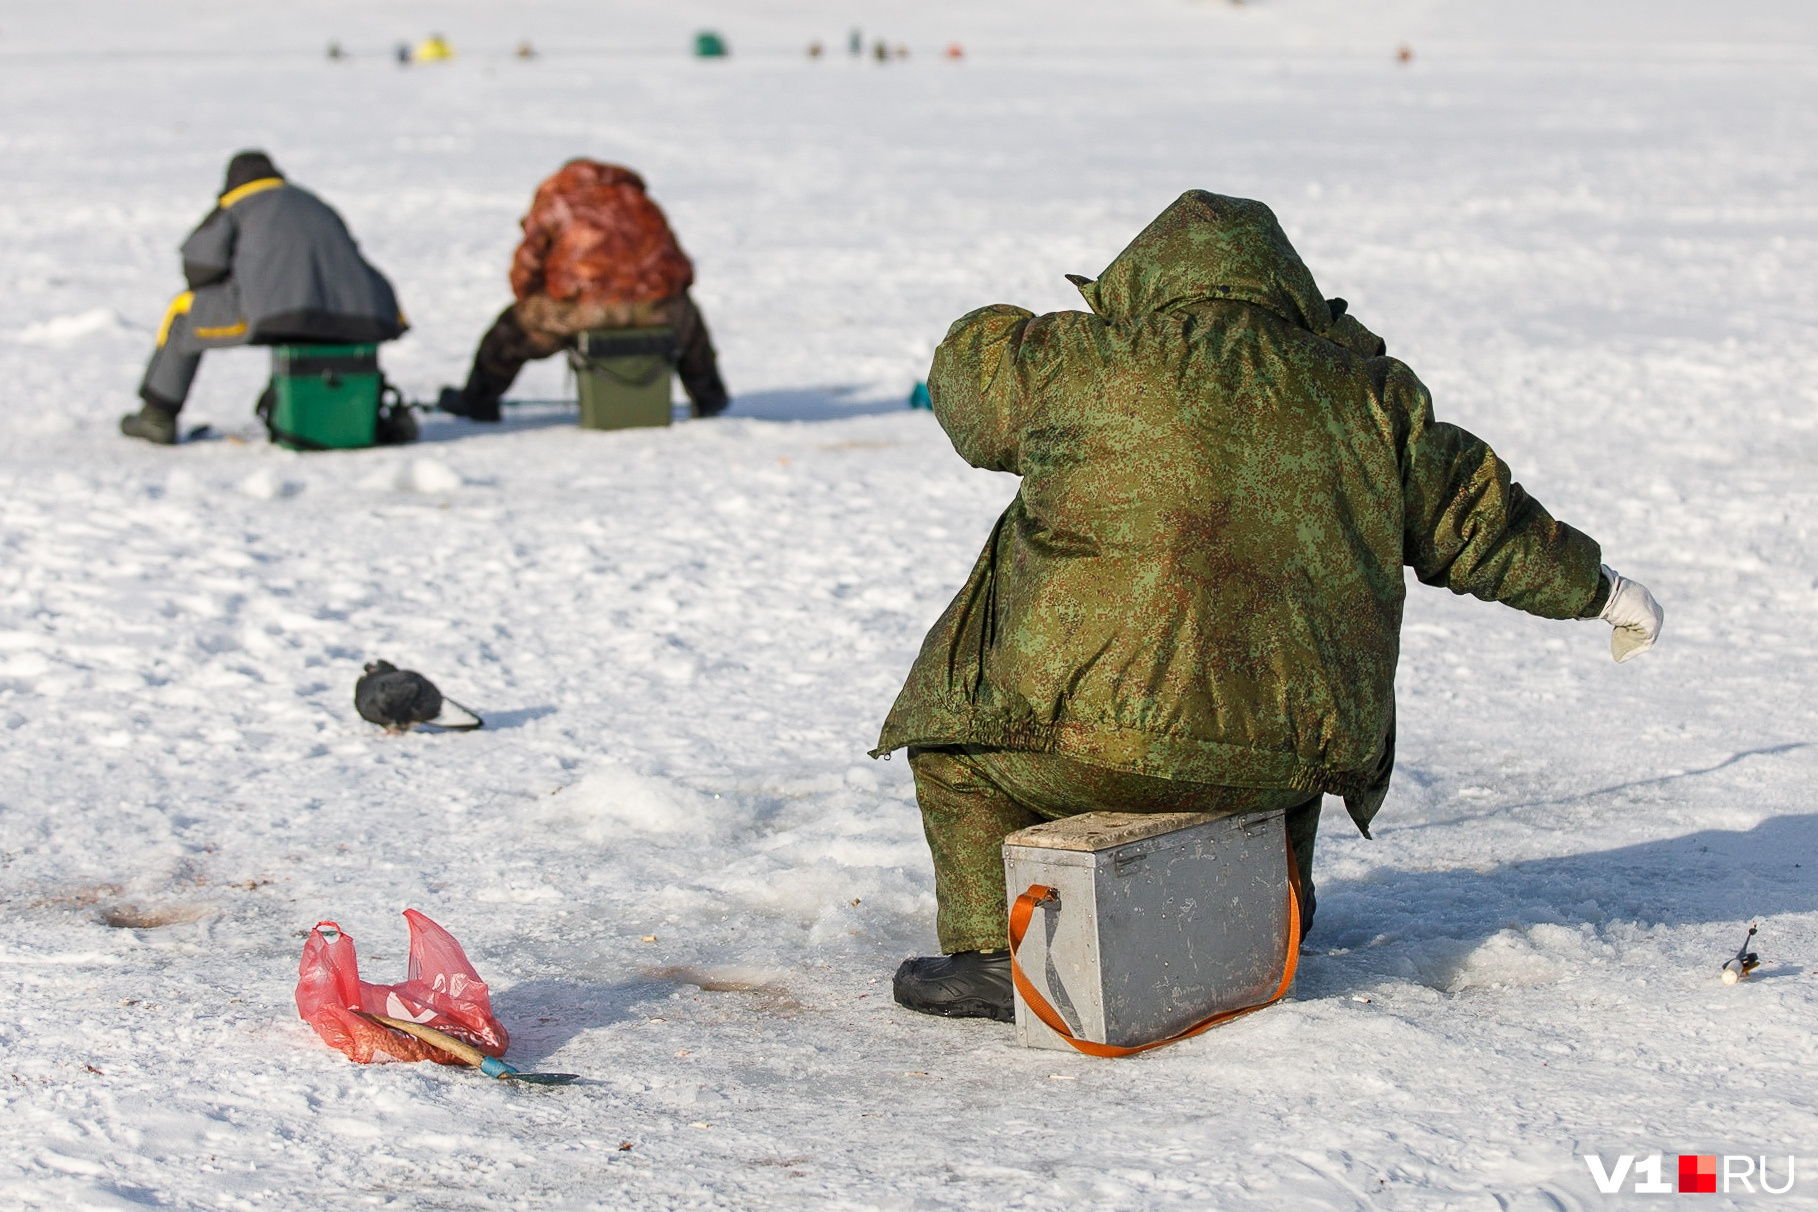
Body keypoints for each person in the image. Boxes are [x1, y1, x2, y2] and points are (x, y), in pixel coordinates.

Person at [874, 191, 1664, 1022]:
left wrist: (1039, 322)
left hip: (1082, 739)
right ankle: (1273, 917)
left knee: (956, 754)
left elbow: (967, 377)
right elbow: (1480, 523)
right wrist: (1603, 590)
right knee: (1285, 754)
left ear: (1146, 275)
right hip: (1282, 763)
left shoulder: (1081, 363)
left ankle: (991, 955)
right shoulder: (1374, 398)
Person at [121, 151, 408, 445]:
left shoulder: (238, 204)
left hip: (279, 315)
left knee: (184, 311)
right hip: (364, 313)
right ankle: (362, 414)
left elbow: (199, 269)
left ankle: (157, 416)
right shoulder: (314, 203)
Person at [438, 160, 729, 422]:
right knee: (690, 323)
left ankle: (478, 400)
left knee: (511, 331)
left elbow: (527, 264)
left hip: (581, 309)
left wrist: (533, 298)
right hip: (656, 308)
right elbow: (681, 267)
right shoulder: (640, 202)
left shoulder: (557, 199)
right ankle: (709, 399)